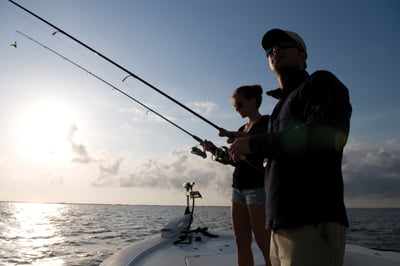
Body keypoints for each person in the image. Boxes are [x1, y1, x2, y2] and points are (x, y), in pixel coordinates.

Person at [229, 29, 352, 266]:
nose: (275, 50)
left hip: (311, 218)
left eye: (284, 44)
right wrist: (245, 145)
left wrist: (253, 143)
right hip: (279, 224)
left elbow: (323, 134)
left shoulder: (320, 82)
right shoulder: (279, 109)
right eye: (269, 50)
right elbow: (277, 151)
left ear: (303, 54)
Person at [204, 85, 271, 266]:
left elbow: (261, 140)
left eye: (239, 105)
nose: (237, 110)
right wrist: (214, 150)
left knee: (265, 243)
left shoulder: (266, 123)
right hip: (238, 189)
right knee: (241, 241)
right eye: (235, 107)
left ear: (253, 101)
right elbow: (235, 159)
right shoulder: (243, 127)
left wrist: (234, 134)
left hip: (258, 189)